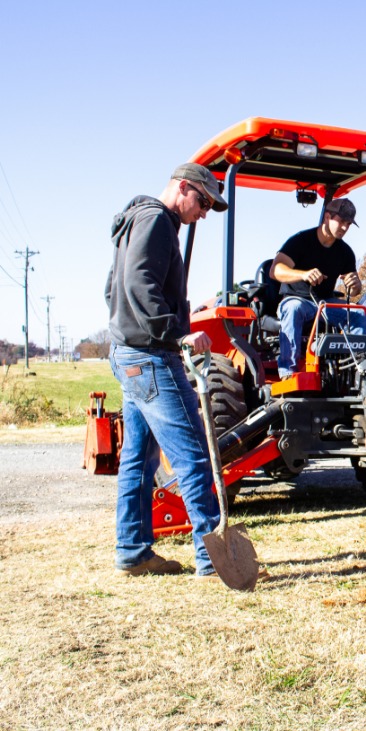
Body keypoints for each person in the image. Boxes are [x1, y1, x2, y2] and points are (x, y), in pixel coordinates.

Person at [104, 163, 229, 578]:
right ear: (183, 187)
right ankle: (215, 559)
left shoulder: (136, 221)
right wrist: (177, 332)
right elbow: (141, 284)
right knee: (193, 454)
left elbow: (114, 288)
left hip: (128, 354)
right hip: (153, 358)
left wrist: (153, 322)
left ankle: (133, 552)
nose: (205, 212)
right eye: (204, 201)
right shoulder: (157, 218)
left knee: (138, 459)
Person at [271, 198, 364, 378]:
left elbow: (353, 292)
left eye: (348, 224)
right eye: (341, 222)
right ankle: (288, 372)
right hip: (298, 299)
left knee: (358, 315)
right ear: (327, 217)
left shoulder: (345, 252)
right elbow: (275, 270)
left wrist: (356, 286)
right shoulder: (301, 241)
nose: (344, 228)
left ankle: (357, 367)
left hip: (325, 304)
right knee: (293, 308)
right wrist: (303, 274)